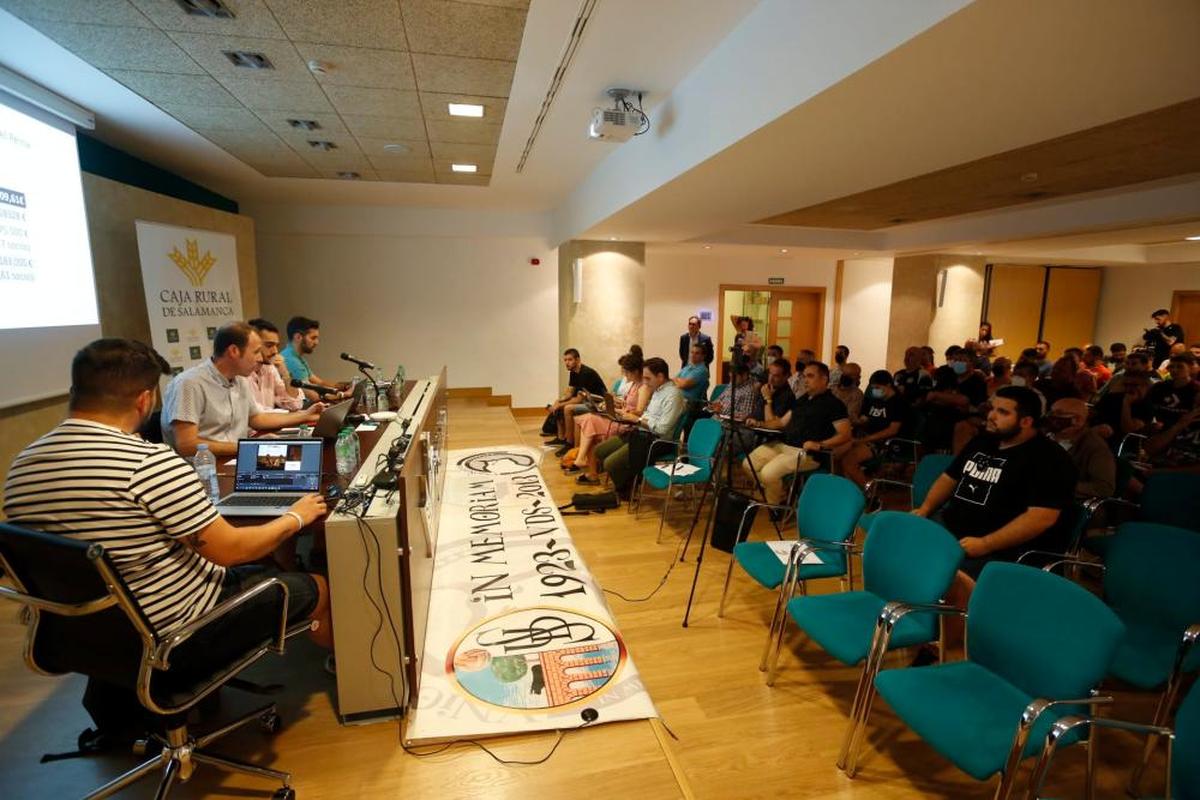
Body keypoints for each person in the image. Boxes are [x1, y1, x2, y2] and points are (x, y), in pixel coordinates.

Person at [3, 340, 334, 731]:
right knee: (317, 586)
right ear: (145, 400)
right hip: (177, 636)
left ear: (76, 391)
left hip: (85, 635)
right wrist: (294, 518)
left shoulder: (21, 467)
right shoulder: (149, 463)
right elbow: (232, 551)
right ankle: (356, 681)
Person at [914, 386, 1077, 581]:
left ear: (1026, 421)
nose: (991, 416)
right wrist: (924, 509)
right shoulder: (984, 440)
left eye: (1002, 412)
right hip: (951, 525)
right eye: (992, 408)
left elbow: (1041, 518)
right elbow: (949, 478)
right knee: (900, 548)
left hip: (996, 547)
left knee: (932, 577)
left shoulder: (1050, 459)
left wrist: (985, 544)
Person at [161, 322, 324, 458]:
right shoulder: (189, 383)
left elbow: (256, 418)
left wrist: (305, 415)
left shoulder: (240, 379)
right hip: (205, 473)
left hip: (237, 460)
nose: (261, 358)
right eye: (255, 352)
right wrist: (247, 448)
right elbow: (187, 445)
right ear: (233, 351)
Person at [744, 361, 851, 505]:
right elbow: (782, 422)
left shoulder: (834, 404)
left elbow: (845, 435)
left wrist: (820, 444)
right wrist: (759, 423)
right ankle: (781, 495)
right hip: (783, 445)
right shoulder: (802, 399)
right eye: (805, 376)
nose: (805, 380)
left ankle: (775, 506)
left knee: (768, 474)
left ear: (824, 379)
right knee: (748, 464)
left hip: (806, 453)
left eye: (811, 376)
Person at [591, 358, 685, 495]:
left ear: (660, 376)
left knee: (610, 463)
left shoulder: (673, 395)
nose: (645, 382)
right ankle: (624, 482)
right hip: (642, 433)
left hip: (657, 440)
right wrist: (632, 416)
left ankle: (626, 490)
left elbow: (662, 429)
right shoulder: (658, 390)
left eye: (648, 378)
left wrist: (638, 419)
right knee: (599, 450)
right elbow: (649, 415)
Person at [572, 354, 649, 481]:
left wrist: (621, 410)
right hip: (621, 418)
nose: (625, 375)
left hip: (627, 424)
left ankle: (584, 463)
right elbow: (628, 404)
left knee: (589, 421)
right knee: (589, 422)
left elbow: (639, 412)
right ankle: (585, 464)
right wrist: (618, 404)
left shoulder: (643, 387)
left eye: (627, 372)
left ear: (635, 371)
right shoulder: (634, 384)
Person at [841, 370, 906, 488]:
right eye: (872, 388)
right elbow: (864, 419)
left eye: (877, 387)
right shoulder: (873, 401)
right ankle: (851, 490)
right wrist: (854, 420)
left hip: (883, 443)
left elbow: (893, 430)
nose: (874, 390)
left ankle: (868, 492)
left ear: (888, 385)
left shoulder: (898, 403)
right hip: (864, 438)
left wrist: (865, 439)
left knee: (848, 460)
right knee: (838, 454)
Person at [1045, 398, 1116, 498]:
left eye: (1059, 413)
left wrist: (1058, 484)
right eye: (1051, 412)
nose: (1051, 416)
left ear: (1078, 420)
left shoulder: (1095, 447)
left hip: (1062, 502)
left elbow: (1104, 488)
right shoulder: (1044, 435)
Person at [545, 348, 608, 446]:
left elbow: (579, 399)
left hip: (597, 404)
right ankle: (561, 438)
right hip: (586, 401)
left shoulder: (586, 373)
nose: (567, 363)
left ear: (577, 360)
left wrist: (561, 405)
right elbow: (570, 392)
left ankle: (569, 443)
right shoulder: (573, 372)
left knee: (567, 408)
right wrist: (559, 401)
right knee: (559, 404)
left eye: (570, 360)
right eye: (565, 360)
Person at [281, 316, 346, 402]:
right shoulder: (291, 360)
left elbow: (320, 383)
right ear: (298, 337)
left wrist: (344, 385)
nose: (316, 342)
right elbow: (313, 395)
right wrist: (344, 394)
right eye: (313, 338)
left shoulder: (298, 358)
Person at [247, 318, 304, 411]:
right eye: (269, 345)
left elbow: (295, 405)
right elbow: (255, 414)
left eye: (276, 346)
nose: (275, 351)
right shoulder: (241, 372)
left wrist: (285, 373)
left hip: (271, 424)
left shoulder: (270, 369)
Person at [1147, 353, 1198, 428]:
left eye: (1180, 367)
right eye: (1171, 367)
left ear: (1190, 368)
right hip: (1159, 429)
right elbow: (1149, 408)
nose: (1174, 370)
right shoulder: (1159, 387)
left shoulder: (1196, 390)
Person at [674, 343, 711, 434]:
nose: (693, 355)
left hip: (689, 404)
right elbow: (673, 380)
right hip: (678, 400)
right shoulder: (687, 367)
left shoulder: (702, 371)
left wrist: (679, 381)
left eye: (697, 353)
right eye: (692, 352)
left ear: (703, 356)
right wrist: (679, 381)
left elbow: (684, 384)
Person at [748, 358, 795, 427]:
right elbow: (757, 413)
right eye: (770, 373)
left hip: (769, 435)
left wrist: (768, 399)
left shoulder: (788, 396)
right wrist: (747, 417)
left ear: (786, 377)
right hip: (753, 429)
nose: (770, 379)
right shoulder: (767, 388)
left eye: (776, 376)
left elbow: (771, 423)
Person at [831, 362, 864, 426]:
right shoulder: (832, 390)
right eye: (844, 374)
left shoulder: (857, 394)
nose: (860, 378)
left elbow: (851, 416)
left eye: (850, 375)